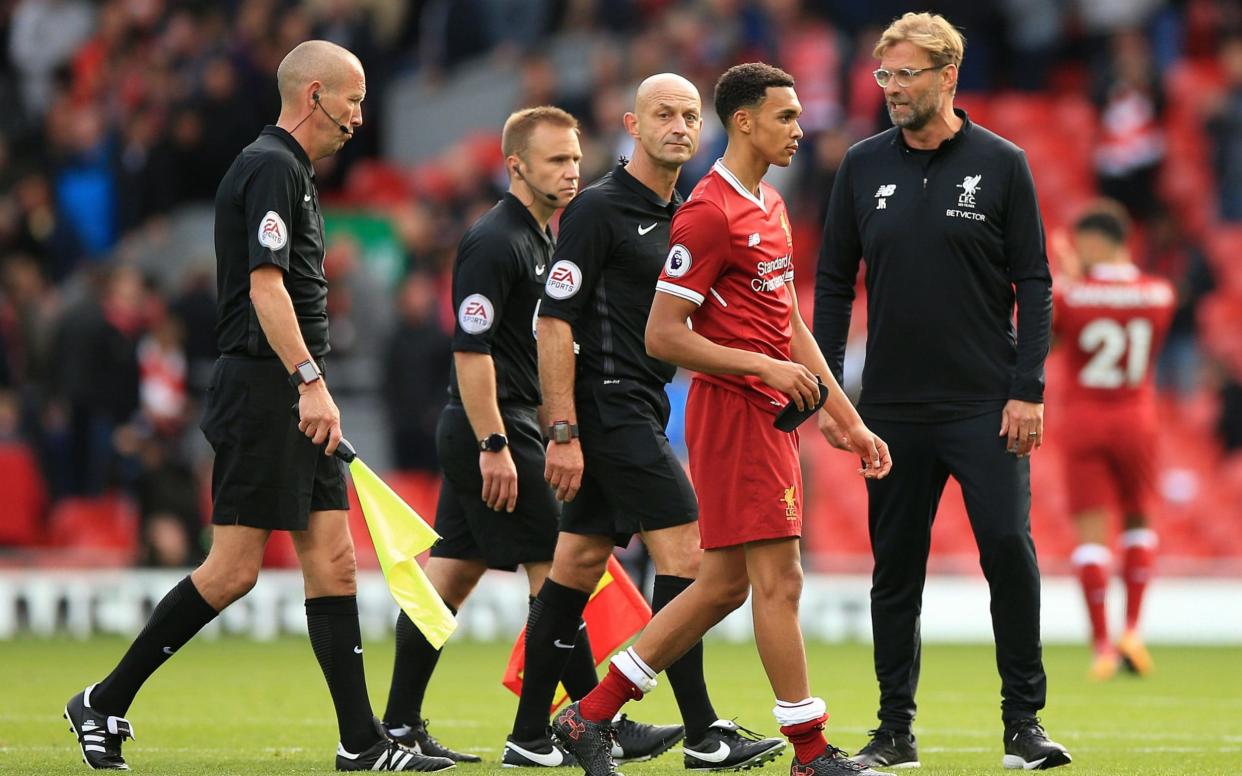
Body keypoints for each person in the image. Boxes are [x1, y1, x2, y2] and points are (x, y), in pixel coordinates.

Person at [64, 40, 453, 772]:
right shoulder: (271, 166)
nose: (359, 118)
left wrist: (309, 381)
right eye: (352, 101)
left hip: (290, 387)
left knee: (334, 564)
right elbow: (265, 289)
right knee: (234, 569)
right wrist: (310, 381)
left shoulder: (291, 170)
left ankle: (360, 744)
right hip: (265, 388)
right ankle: (104, 700)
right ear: (313, 96)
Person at [551, 62, 893, 776]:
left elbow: (787, 322)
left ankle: (589, 713)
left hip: (767, 410)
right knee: (780, 580)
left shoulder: (766, 204)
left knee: (722, 585)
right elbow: (662, 334)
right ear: (745, 122)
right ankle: (810, 750)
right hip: (735, 412)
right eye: (786, 117)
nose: (800, 130)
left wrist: (844, 416)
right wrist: (762, 368)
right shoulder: (709, 212)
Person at [379, 106, 679, 767]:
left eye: (575, 159)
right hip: (492, 427)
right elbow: (471, 349)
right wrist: (494, 445)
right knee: (561, 572)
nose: (572, 172)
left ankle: (398, 727)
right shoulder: (494, 241)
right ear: (516, 166)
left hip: (502, 424)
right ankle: (569, 724)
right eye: (556, 161)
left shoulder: (544, 237)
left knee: (450, 580)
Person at [813, 12, 1071, 771]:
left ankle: (1023, 724)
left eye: (906, 74)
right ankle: (894, 732)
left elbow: (1036, 282)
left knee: (1007, 553)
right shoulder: (861, 166)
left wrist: (1028, 388)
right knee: (896, 569)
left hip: (985, 405)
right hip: (888, 408)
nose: (891, 88)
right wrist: (831, 392)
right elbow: (832, 283)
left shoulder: (1002, 163)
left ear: (947, 76)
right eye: (883, 75)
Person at [535, 72, 786, 771]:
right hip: (606, 405)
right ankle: (705, 734)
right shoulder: (597, 210)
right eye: (662, 114)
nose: (679, 125)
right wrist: (562, 429)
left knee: (580, 562)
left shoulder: (687, 209)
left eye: (688, 115)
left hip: (642, 401)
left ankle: (532, 733)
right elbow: (553, 321)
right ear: (631, 125)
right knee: (689, 559)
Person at [1051, 202, 1175, 681]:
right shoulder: (1160, 293)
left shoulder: (1074, 294)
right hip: (1138, 416)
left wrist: (1069, 279)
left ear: (1096, 241)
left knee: (1091, 535)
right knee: (1140, 519)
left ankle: (1102, 646)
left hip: (1085, 417)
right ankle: (1133, 632)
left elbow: (1054, 343)